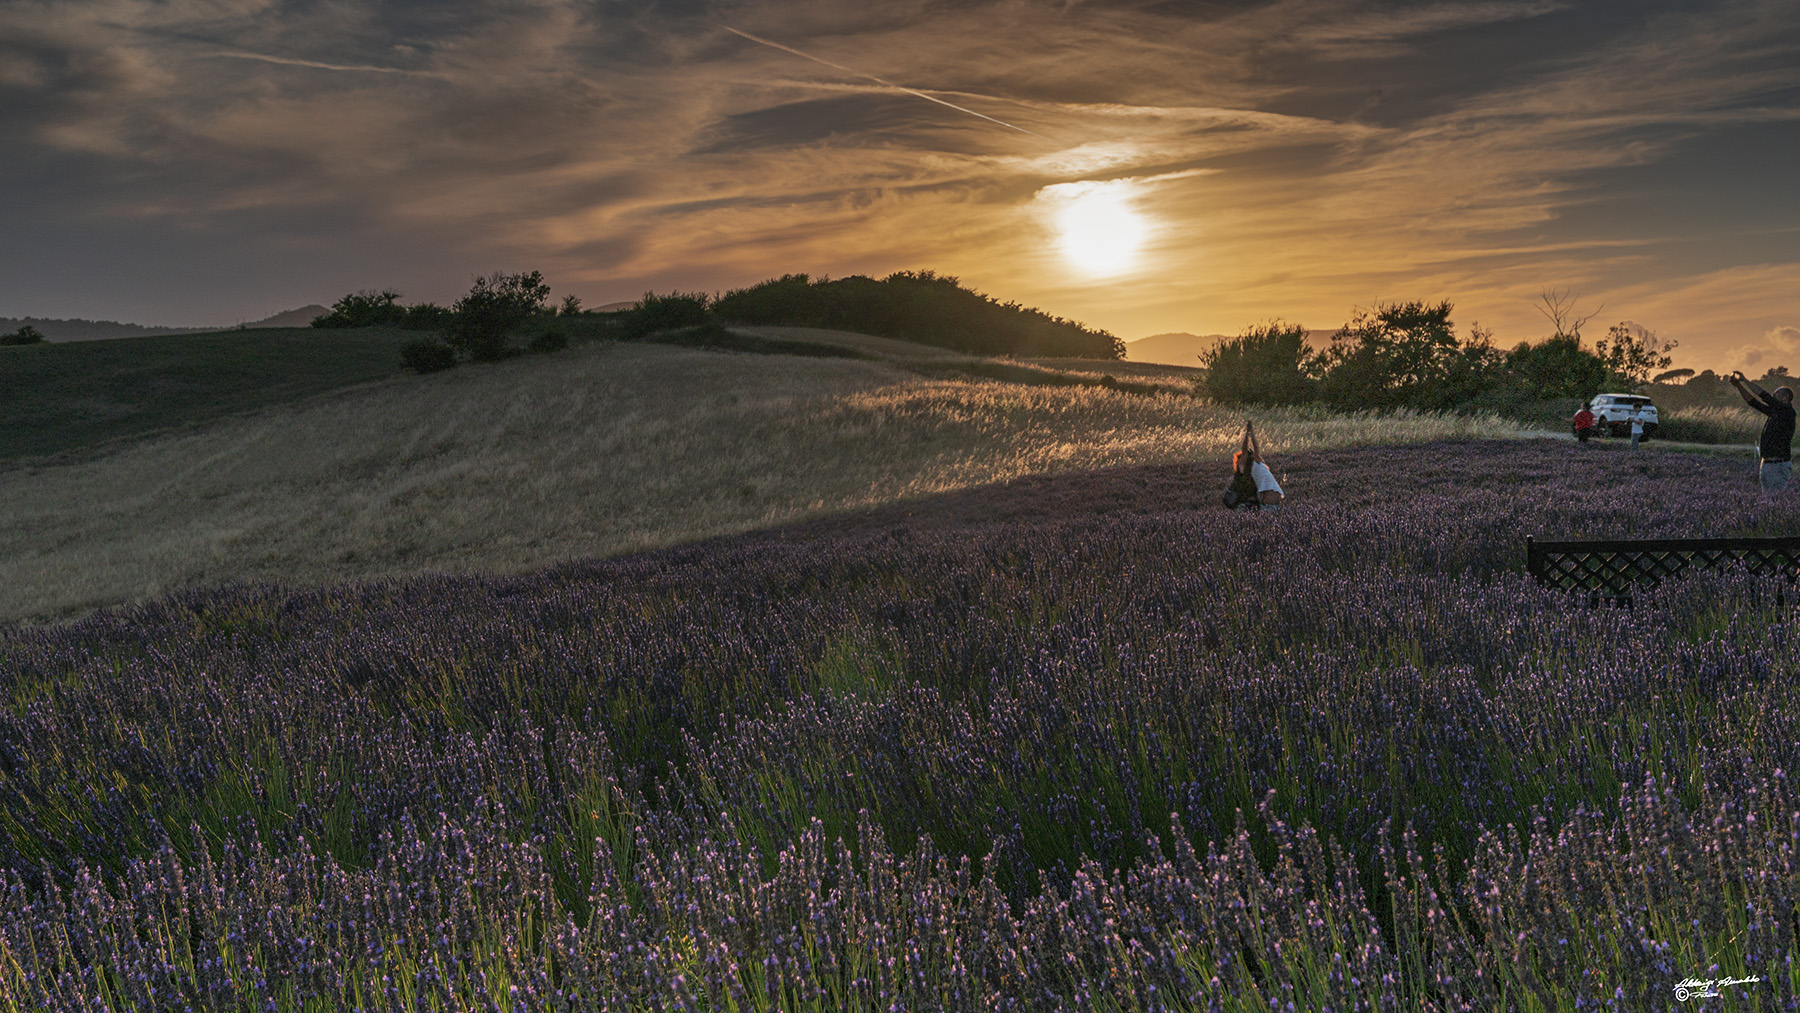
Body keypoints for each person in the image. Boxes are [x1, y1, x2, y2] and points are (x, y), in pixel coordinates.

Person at [1731, 370, 1795, 491]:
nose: (1773, 396)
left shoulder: (1787, 412)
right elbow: (1753, 402)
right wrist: (1739, 386)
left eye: (1777, 394)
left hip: (1778, 465)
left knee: (1776, 502)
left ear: (1785, 398)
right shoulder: (1776, 413)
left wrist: (1745, 380)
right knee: (1767, 502)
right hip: (1767, 465)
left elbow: (1763, 395)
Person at [1236, 420, 1284, 511]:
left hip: (1269, 500)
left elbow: (1248, 449)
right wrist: (1250, 433)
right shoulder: (1256, 464)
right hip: (1276, 498)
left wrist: (1248, 434)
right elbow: (1252, 449)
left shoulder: (1253, 464)